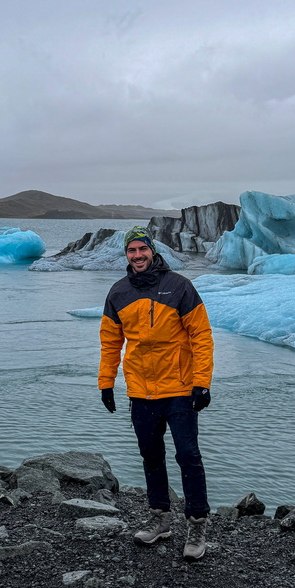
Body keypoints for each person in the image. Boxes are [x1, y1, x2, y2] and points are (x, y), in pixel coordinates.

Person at [98, 225, 214, 561]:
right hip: (141, 391)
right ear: (126, 255)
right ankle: (160, 518)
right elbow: (110, 343)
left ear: (152, 251)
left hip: (179, 387)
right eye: (131, 251)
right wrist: (106, 383)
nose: (137, 256)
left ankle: (196, 524)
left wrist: (202, 382)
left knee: (188, 456)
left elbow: (202, 337)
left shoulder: (179, 287)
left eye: (142, 250)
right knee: (151, 457)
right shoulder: (118, 292)